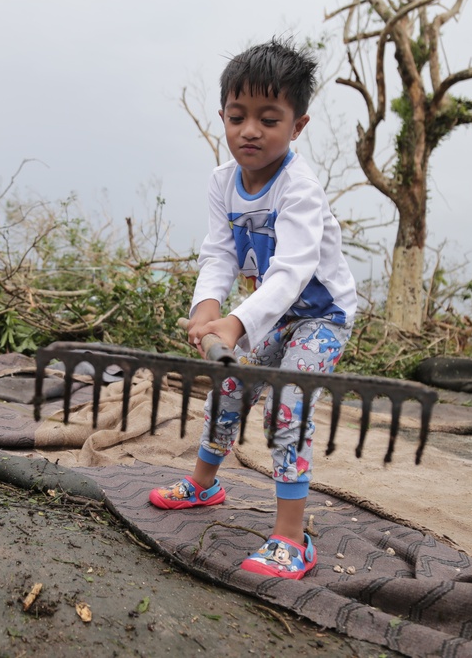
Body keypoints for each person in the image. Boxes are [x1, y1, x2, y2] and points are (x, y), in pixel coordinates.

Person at [148, 37, 357, 580]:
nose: (250, 130)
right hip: (273, 314)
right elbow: (218, 253)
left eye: (269, 118)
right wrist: (206, 310)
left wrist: (235, 322)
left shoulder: (300, 189)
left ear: (298, 125)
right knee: (231, 384)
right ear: (223, 115)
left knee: (288, 402)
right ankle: (203, 484)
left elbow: (290, 272)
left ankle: (291, 538)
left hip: (321, 318)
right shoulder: (223, 182)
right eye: (238, 116)